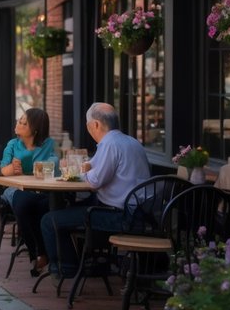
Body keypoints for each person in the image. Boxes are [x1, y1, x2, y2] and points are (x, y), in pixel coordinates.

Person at [39, 102, 150, 277]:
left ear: (96, 124)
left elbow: (95, 180)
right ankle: (91, 262)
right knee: (71, 210)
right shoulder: (131, 141)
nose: (89, 130)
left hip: (121, 216)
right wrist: (86, 168)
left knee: (50, 220)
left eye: (88, 125)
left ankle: (68, 270)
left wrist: (78, 172)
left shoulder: (109, 144)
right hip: (142, 213)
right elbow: (94, 167)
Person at [0, 107, 57, 276]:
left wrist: (53, 162)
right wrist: (12, 168)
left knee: (45, 204)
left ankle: (49, 255)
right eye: (20, 121)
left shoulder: (48, 144)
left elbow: (53, 163)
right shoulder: (12, 145)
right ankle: (37, 253)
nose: (18, 124)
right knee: (24, 203)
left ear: (35, 129)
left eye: (24, 123)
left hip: (39, 190)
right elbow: (3, 170)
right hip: (15, 189)